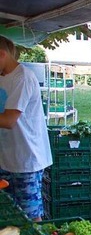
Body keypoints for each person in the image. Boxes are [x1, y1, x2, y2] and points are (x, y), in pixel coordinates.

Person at [0, 36, 52, 221]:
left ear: (1, 55)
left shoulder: (23, 77)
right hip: (6, 157)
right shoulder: (3, 77)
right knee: (9, 215)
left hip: (26, 159)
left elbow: (8, 120)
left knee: (30, 216)